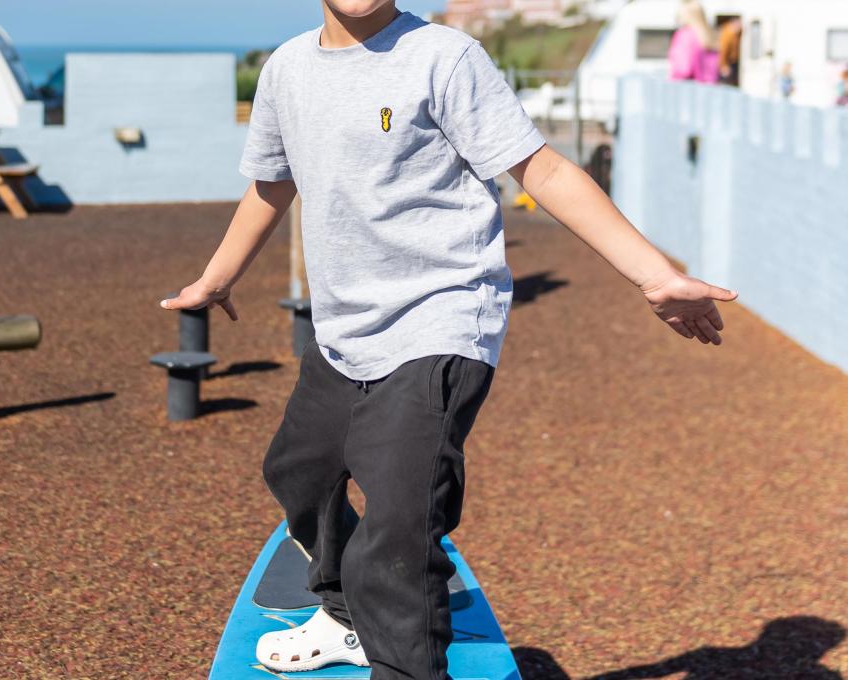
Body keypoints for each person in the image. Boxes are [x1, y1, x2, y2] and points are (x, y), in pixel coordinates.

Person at [162, 2, 738, 678]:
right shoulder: (287, 69)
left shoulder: (443, 57)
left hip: (441, 318)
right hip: (345, 327)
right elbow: (273, 181)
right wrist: (218, 277)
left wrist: (653, 274)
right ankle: (347, 615)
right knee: (299, 470)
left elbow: (543, 170)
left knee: (398, 533)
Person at [668, 0, 720, 84]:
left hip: (688, 90)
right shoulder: (710, 36)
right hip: (709, 91)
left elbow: (683, 69)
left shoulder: (685, 35)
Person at [718, 17, 742, 86]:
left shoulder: (734, 34)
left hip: (733, 61)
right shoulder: (728, 34)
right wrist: (723, 65)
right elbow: (724, 50)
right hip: (729, 62)